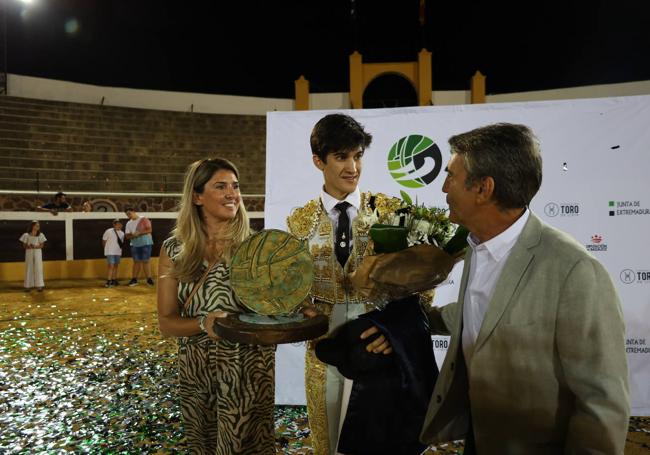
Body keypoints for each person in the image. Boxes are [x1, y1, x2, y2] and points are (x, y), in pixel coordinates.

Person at [419, 123, 630, 454]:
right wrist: (411, 320)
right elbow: (483, 313)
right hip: (480, 439)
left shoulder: (576, 271)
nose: (444, 187)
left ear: (484, 189)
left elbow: (601, 402)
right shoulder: (476, 245)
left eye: (451, 176)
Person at [286, 113, 394, 455]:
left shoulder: (388, 211)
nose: (353, 167)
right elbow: (290, 287)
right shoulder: (299, 220)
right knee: (327, 442)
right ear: (319, 161)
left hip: (374, 343)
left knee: (375, 437)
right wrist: (299, 306)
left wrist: (394, 331)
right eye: (341, 157)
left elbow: (415, 285)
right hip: (322, 346)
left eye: (358, 155)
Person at [157, 157, 275, 454]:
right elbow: (167, 322)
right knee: (205, 446)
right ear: (197, 196)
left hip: (250, 370)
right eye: (220, 186)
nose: (231, 194)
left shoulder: (258, 246)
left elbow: (279, 307)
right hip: (197, 373)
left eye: (235, 186)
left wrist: (304, 308)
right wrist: (202, 323)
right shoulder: (174, 249)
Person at [124, 207, 155, 286]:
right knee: (136, 262)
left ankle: (149, 279)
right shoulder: (128, 223)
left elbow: (149, 230)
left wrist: (138, 233)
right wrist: (133, 235)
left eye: (129, 213)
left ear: (134, 211)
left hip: (146, 243)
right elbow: (127, 236)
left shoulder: (144, 219)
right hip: (135, 244)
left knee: (146, 261)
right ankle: (134, 279)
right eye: (127, 214)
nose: (128, 216)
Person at [19, 221, 47, 292]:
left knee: (38, 267)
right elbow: (24, 246)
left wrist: (36, 246)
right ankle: (27, 286)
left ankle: (39, 286)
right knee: (29, 268)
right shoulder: (26, 235)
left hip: (38, 252)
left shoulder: (40, 235)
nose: (38, 227)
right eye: (36, 226)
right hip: (29, 252)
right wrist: (28, 246)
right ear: (32, 226)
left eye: (38, 226)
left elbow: (42, 245)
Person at [102, 219, 125, 287]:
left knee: (115, 266)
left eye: (120, 224)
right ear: (114, 225)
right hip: (110, 252)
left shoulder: (122, 233)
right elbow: (104, 241)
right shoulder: (108, 231)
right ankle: (109, 281)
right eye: (117, 224)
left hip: (117, 252)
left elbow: (121, 243)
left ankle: (114, 280)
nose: (119, 225)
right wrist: (106, 249)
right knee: (111, 266)